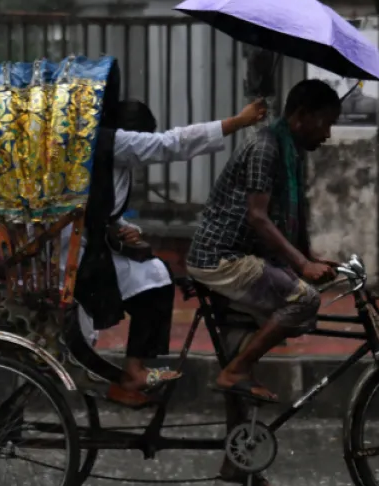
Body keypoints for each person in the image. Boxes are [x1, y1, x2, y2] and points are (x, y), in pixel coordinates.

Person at [185, 79, 341, 486]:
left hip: (246, 260)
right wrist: (301, 267)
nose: (327, 133)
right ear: (301, 115)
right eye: (325, 123)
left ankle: (239, 464)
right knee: (303, 301)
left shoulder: (290, 153)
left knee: (241, 349)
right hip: (222, 258)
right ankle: (234, 372)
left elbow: (289, 218)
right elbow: (258, 217)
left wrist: (312, 259)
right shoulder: (265, 148)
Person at [72, 98, 268, 408]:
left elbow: (97, 209)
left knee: (156, 276)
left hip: (90, 248)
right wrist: (238, 121)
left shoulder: (107, 154)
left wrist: (124, 227)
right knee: (78, 338)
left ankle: (135, 368)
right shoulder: (113, 142)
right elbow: (173, 144)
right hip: (72, 258)